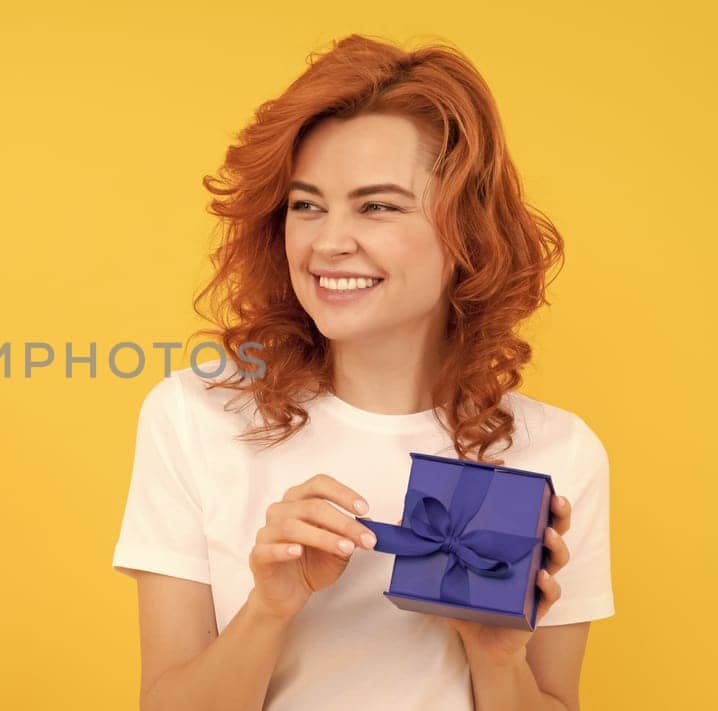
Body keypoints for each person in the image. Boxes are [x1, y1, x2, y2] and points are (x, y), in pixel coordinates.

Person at [110, 34, 614, 710]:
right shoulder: (194, 414)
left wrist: (499, 660)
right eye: (307, 204)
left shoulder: (556, 452)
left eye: (377, 205)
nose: (326, 242)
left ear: (466, 232)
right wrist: (270, 607)